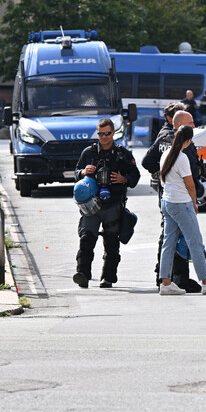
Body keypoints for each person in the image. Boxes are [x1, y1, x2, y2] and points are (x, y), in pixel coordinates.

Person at [158, 125, 206, 295]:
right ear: (188, 141)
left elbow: (162, 179)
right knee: (195, 242)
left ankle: (165, 283)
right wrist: (194, 202)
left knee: (169, 243)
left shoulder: (166, 154)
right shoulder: (181, 158)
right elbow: (190, 184)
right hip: (181, 203)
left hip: (167, 201)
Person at [72, 118, 141, 289]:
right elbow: (76, 172)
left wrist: (124, 179)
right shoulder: (89, 152)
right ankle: (83, 274)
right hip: (91, 204)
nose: (103, 137)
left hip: (113, 204)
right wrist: (83, 172)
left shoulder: (122, 154)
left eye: (107, 133)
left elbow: (135, 176)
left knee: (111, 242)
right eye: (100, 134)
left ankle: (108, 277)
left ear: (113, 133)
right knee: (86, 239)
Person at [142, 104, 203, 293]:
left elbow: (147, 162)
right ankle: (182, 278)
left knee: (168, 238)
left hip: (166, 196)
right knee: (188, 238)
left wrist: (164, 175)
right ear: (181, 125)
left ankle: (164, 278)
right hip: (181, 198)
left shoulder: (163, 138)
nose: (194, 126)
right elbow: (191, 175)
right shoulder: (185, 145)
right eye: (191, 123)